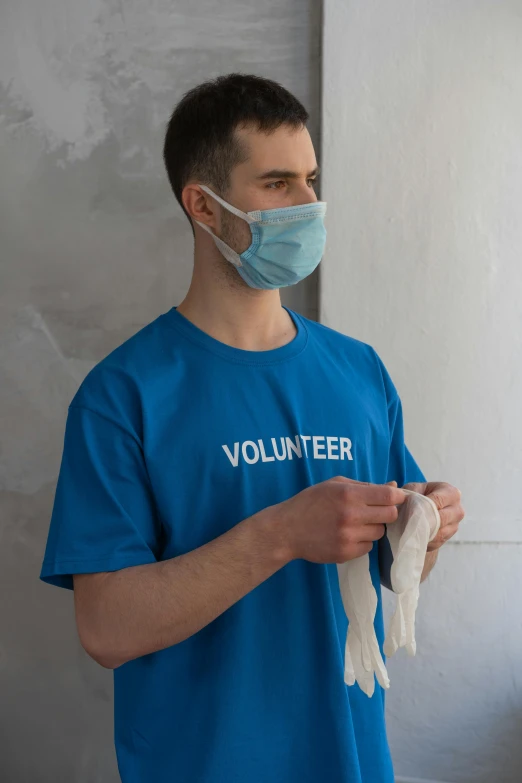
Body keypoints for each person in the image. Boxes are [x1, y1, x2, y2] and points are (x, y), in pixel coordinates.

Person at [40, 73, 464, 783]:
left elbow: (396, 570)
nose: (309, 204)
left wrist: (427, 527)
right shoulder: (122, 396)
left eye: (311, 179)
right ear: (203, 205)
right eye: (276, 184)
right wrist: (279, 533)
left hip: (354, 763)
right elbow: (107, 629)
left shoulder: (359, 371)